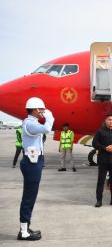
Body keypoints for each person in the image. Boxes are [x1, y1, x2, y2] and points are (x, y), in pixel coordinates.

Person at [18, 97, 54, 241]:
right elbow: (47, 128)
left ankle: (26, 226)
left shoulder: (32, 122)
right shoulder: (30, 124)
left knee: (30, 196)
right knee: (29, 197)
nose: (44, 112)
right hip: (32, 163)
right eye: (42, 110)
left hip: (35, 160)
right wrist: (50, 116)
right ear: (35, 110)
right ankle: (23, 232)